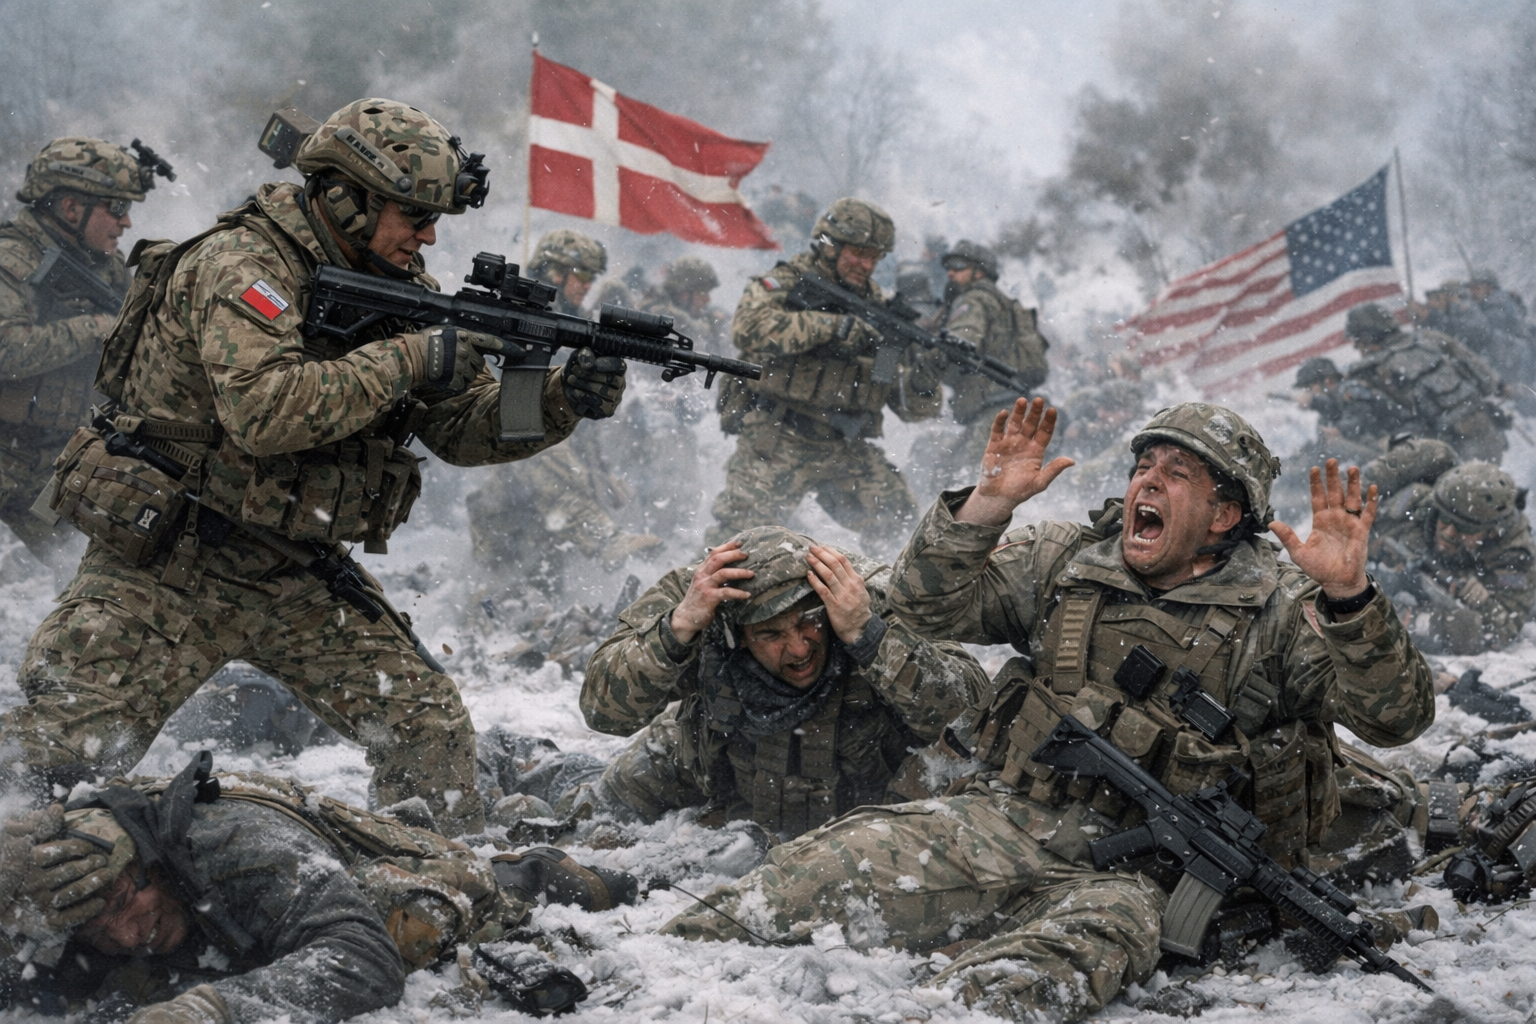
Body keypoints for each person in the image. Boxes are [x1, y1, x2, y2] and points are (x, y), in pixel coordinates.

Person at [660, 398, 1435, 1020]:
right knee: (805, 879)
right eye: (1143, 466)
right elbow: (927, 607)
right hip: (1007, 819)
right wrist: (984, 509)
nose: (1147, 484)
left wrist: (1349, 598)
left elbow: (1395, 718)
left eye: (1176, 474)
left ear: (1225, 513)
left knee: (1055, 970)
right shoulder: (1067, 559)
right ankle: (642, 945)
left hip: (1144, 878)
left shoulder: (1284, 609)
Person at [0, 99, 630, 837]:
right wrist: (409, 358)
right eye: (413, 215)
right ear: (346, 198)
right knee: (50, 762)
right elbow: (264, 412)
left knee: (427, 730)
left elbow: (457, 430)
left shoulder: (402, 287)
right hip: (173, 561)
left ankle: (427, 880)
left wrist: (559, 399)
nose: (428, 236)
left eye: (435, 219)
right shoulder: (240, 264)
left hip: (298, 568)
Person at [0, 755, 634, 1021]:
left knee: (418, 918)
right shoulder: (73, 895)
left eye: (123, 903)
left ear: (153, 866)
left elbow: (366, 962)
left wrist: (212, 1010)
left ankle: (542, 856)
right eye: (95, 930)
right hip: (269, 911)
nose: (126, 933)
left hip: (416, 881)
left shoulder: (238, 847)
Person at [492, 526, 988, 840]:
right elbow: (603, 711)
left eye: (809, 624)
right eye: (771, 635)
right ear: (738, 635)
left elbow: (970, 713)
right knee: (575, 822)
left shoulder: (863, 593)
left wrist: (868, 635)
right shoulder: (700, 596)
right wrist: (678, 629)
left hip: (858, 790)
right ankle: (529, 763)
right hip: (708, 769)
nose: (798, 649)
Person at [708, 198, 942, 555]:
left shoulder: (882, 309)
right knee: (736, 544)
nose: (867, 265)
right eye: (858, 253)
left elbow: (902, 402)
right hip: (777, 436)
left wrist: (925, 376)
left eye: (875, 256)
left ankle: (875, 587)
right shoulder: (787, 282)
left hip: (843, 446)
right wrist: (832, 327)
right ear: (829, 245)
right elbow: (748, 328)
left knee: (899, 522)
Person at [465, 229, 660, 598]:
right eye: (581, 275)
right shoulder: (519, 315)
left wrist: (600, 473)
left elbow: (578, 422)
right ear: (554, 272)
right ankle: (603, 538)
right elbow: (519, 413)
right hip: (513, 479)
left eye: (592, 277)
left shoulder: (573, 323)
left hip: (536, 502)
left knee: (538, 598)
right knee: (501, 594)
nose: (587, 285)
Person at [0, 137, 167, 566]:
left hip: (54, 458)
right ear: (71, 208)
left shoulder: (105, 269)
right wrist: (95, 329)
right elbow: (5, 349)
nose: (126, 222)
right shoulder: (11, 259)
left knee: (91, 569)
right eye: (116, 207)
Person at [909, 240, 1051, 500]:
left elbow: (960, 341)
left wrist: (923, 366)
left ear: (979, 272)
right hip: (1008, 411)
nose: (950, 272)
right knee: (953, 477)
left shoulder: (974, 299)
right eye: (948, 266)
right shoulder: (1001, 303)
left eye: (958, 266)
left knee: (967, 489)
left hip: (996, 414)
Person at [1368, 443, 1536, 655]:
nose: (1449, 533)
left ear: (1492, 531)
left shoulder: (1515, 557)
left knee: (1468, 627)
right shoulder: (1423, 503)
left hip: (1472, 592)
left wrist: (1485, 603)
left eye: (1466, 528)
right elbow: (1364, 532)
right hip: (1417, 572)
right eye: (1445, 519)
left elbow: (1500, 632)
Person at [1343, 302, 1510, 462]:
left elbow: (1373, 419)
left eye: (1358, 343)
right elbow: (1482, 373)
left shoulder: (1369, 370)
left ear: (1368, 340)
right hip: (1485, 432)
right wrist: (1499, 388)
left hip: (1440, 451)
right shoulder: (1430, 338)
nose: (1358, 349)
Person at [639, 256, 728, 352]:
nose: (708, 299)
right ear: (683, 293)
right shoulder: (656, 309)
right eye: (703, 292)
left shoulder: (703, 314)